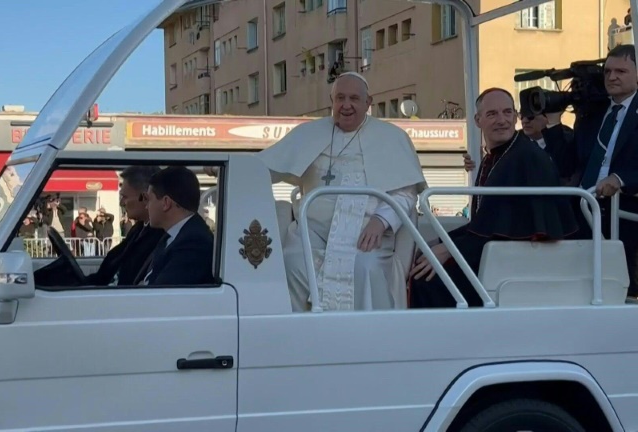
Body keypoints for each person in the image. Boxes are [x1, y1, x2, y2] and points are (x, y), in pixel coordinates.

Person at [256, 71, 427, 312]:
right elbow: (264, 166)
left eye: (354, 98)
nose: (346, 105)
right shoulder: (309, 133)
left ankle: (366, 330)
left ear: (368, 102)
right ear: (332, 101)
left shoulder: (391, 137)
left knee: (365, 267)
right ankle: (301, 329)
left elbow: (406, 193)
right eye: (340, 98)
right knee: (291, 261)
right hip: (312, 232)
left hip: (366, 233)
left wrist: (381, 221)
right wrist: (227, 166)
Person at [409, 88, 579, 308]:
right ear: (477, 120)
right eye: (492, 114)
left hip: (517, 259)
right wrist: (441, 243)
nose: (502, 120)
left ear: (516, 116)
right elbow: (487, 223)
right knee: (423, 255)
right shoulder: (497, 155)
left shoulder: (527, 157)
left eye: (507, 112)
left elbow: (513, 230)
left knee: (425, 278)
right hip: (495, 251)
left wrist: (448, 249)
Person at [544, 44, 638, 297]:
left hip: (625, 213)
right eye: (607, 71)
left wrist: (621, 179)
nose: (612, 77)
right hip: (584, 210)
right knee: (577, 287)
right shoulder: (593, 113)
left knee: (622, 289)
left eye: (621, 71)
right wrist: (553, 124)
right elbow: (568, 165)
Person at [83, 166, 165, 286]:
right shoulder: (138, 229)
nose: (121, 203)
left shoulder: (160, 236)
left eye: (125, 197)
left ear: (146, 197)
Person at [136, 166, 214, 286]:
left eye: (149, 200)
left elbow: (162, 291)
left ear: (166, 203)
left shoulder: (194, 243)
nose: (146, 207)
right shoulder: (176, 235)